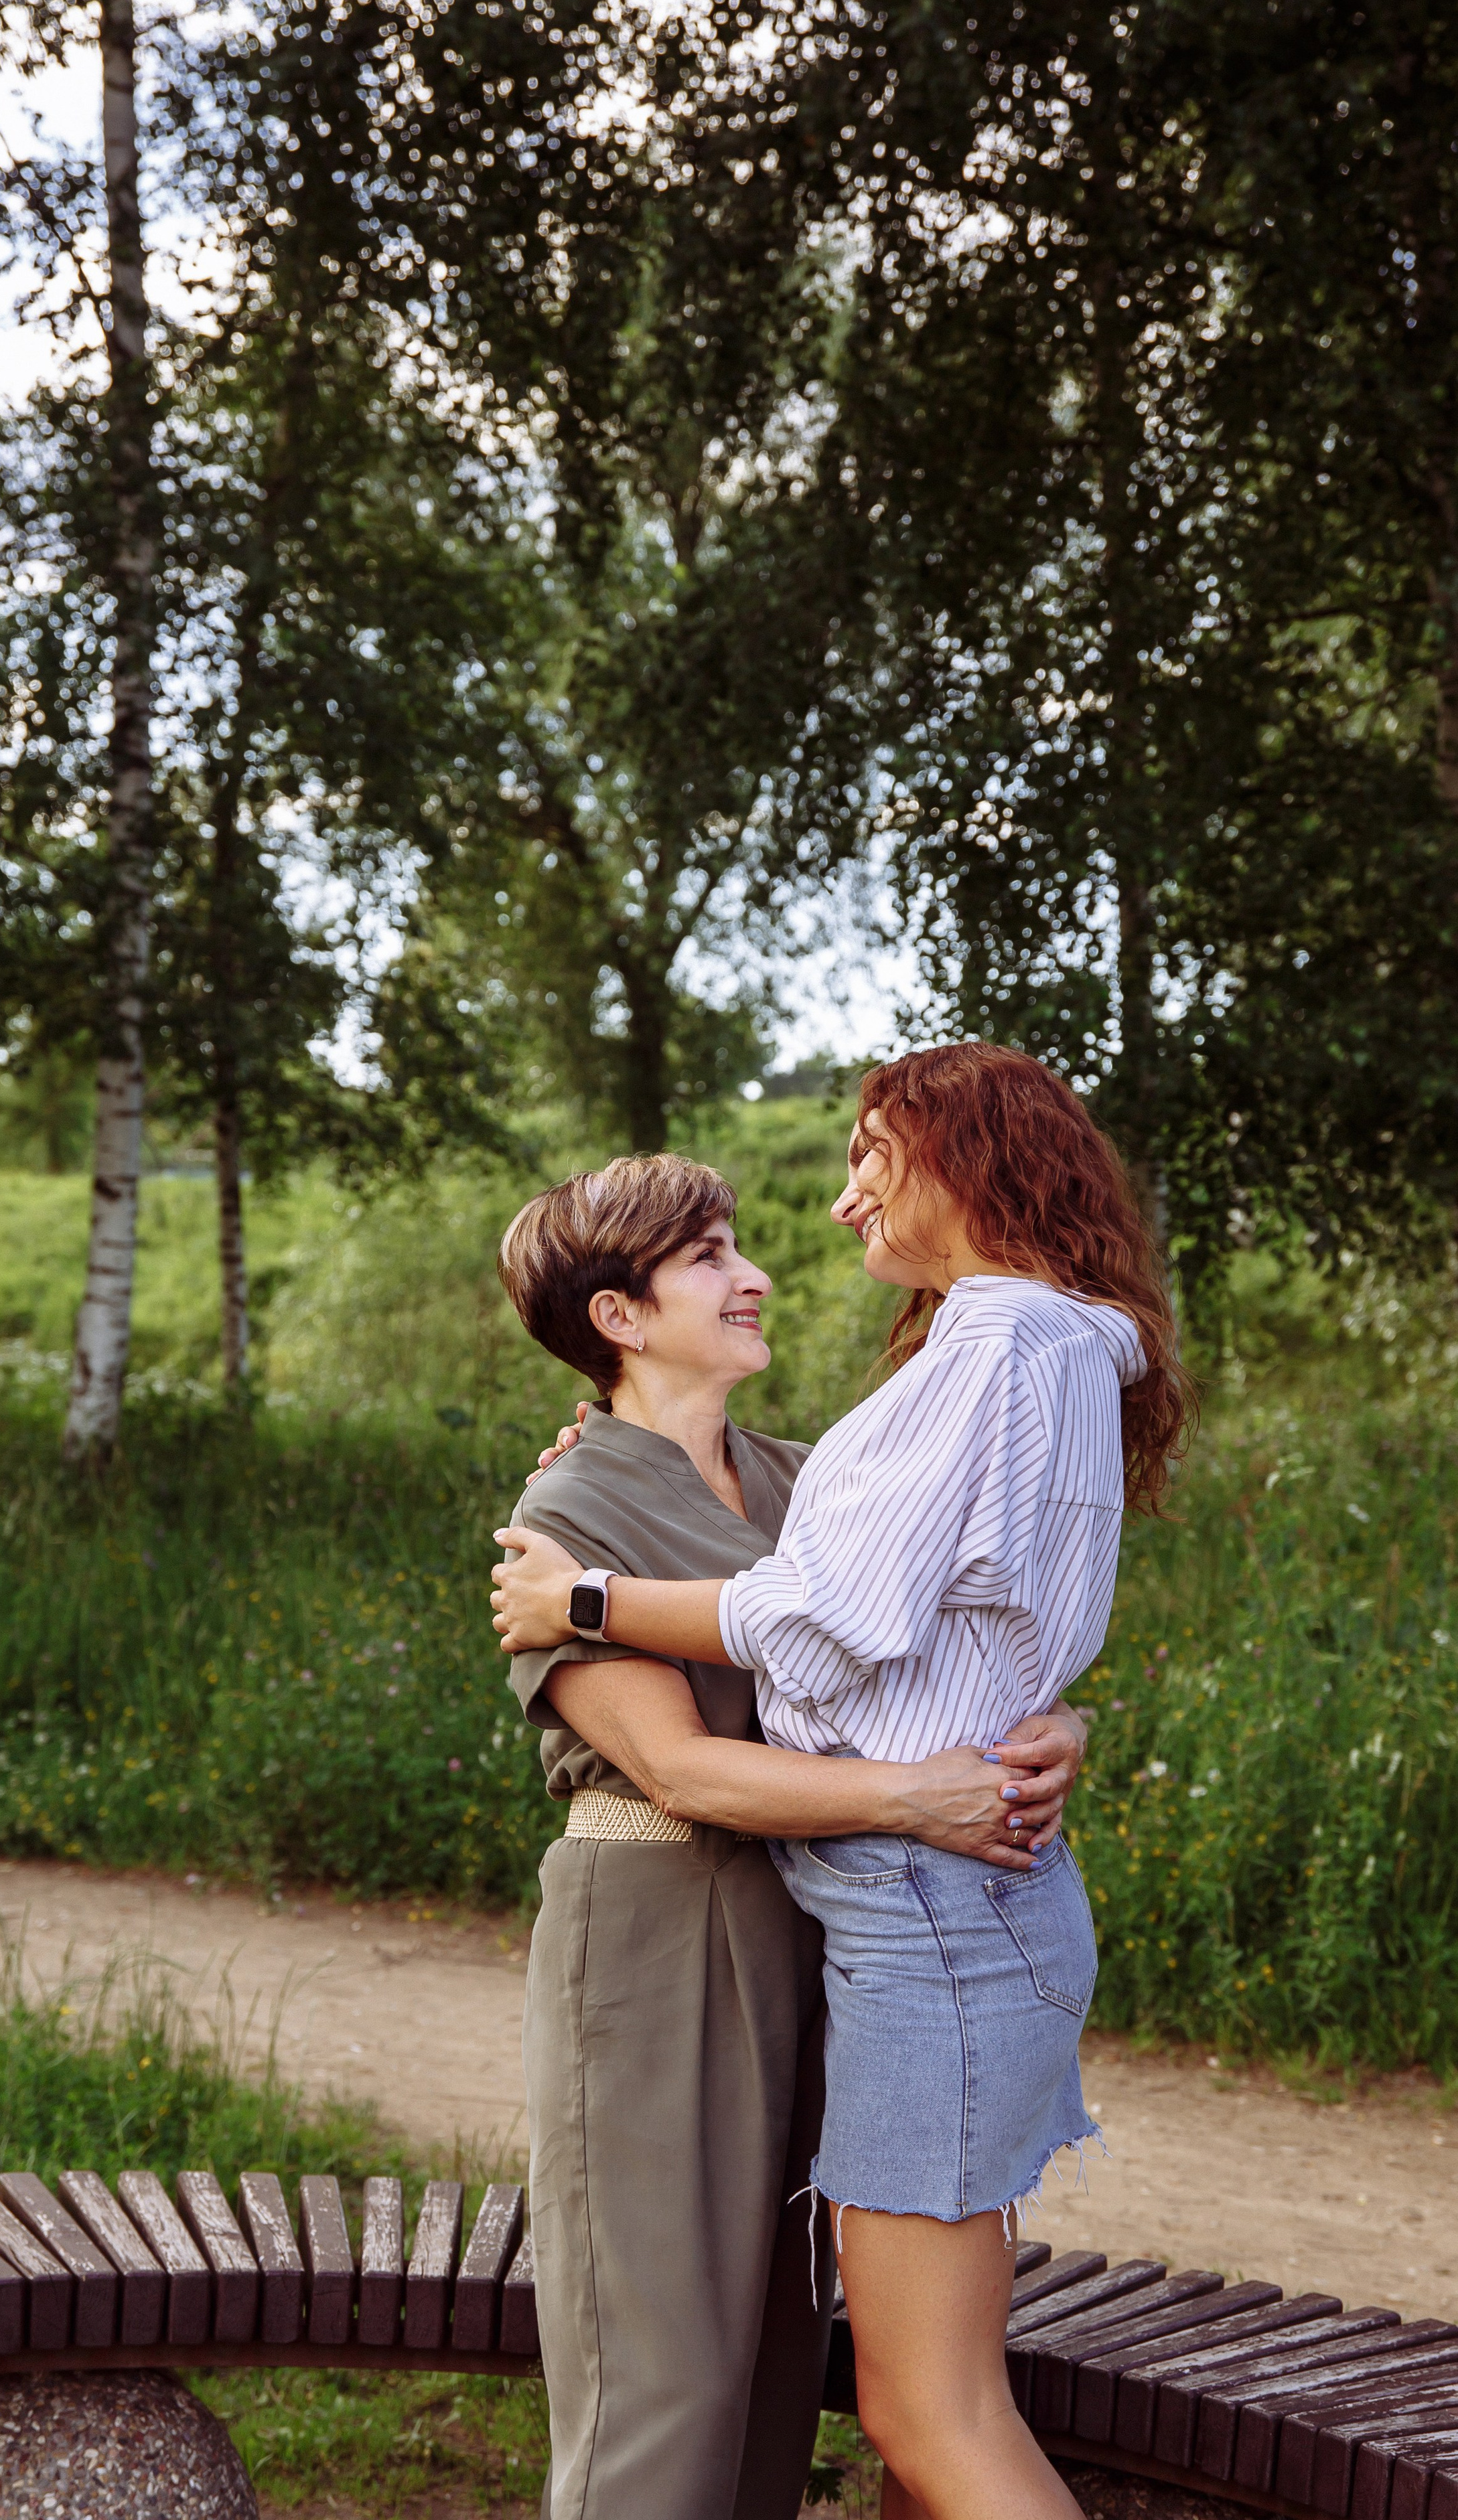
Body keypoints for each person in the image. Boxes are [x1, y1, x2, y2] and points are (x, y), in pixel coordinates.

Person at [493, 1045, 1193, 2520]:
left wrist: (1042, 1727)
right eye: (705, 1256)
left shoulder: (806, 1470)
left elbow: (944, 1638)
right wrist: (913, 1798)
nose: (755, 1270)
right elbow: (681, 1763)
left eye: (735, 1242)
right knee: (661, 2362)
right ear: (615, 1317)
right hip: (663, 1933)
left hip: (822, 1924)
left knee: (777, 2352)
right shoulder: (564, 1508)